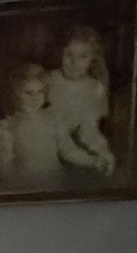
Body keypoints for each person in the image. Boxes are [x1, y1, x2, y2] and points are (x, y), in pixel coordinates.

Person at [48, 28, 118, 177]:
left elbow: (89, 129)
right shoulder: (51, 81)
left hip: (78, 140)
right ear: (60, 53)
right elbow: (57, 131)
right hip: (51, 140)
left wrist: (102, 152)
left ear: (93, 59)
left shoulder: (95, 88)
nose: (74, 62)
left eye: (83, 57)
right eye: (69, 55)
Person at [0, 64, 63, 189]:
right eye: (28, 93)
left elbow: (65, 150)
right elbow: (2, 171)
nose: (35, 98)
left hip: (55, 186)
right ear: (15, 96)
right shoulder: (7, 127)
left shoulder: (52, 119)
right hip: (24, 187)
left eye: (40, 92)